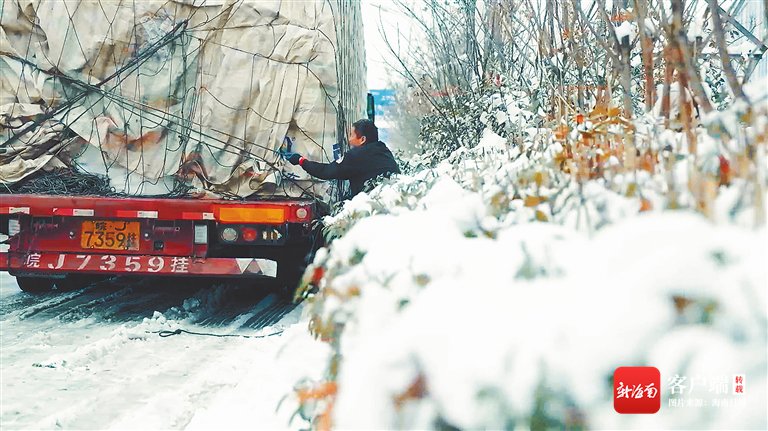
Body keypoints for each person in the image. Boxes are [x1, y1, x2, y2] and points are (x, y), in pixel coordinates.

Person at [283, 119, 400, 197]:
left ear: (362, 139)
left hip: (371, 208)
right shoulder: (384, 151)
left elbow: (326, 172)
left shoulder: (356, 156)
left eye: (351, 135)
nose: (349, 140)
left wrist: (301, 160)